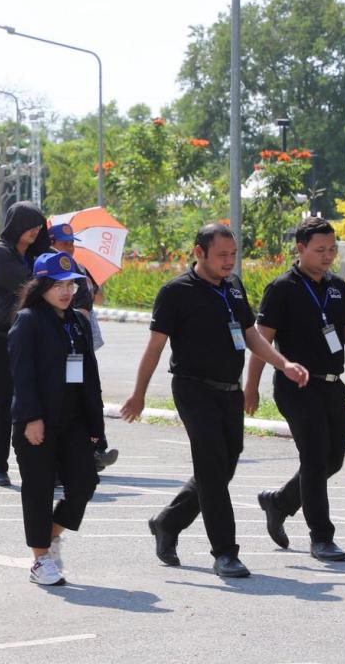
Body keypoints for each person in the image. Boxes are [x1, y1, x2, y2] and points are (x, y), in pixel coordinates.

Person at [120, 223, 310, 578]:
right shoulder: (175, 292)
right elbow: (155, 347)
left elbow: (251, 335)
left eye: (233, 254)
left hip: (229, 391)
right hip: (193, 389)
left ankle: (167, 522)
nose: (228, 261)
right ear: (199, 253)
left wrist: (283, 364)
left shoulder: (233, 287)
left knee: (223, 468)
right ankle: (225, 553)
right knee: (211, 470)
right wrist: (139, 393)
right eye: (221, 255)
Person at [245, 216, 345, 562]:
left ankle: (279, 502)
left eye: (332, 249)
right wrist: (251, 387)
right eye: (320, 250)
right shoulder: (282, 288)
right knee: (313, 457)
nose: (328, 256)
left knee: (332, 459)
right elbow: (262, 340)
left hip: (332, 386)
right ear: (301, 248)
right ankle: (321, 538)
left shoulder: (337, 287)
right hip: (296, 387)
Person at [8, 252, 104, 586]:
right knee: (38, 489)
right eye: (58, 285)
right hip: (38, 421)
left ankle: (49, 537)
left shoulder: (77, 321)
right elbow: (22, 375)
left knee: (84, 483)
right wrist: (31, 417)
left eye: (71, 285)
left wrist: (96, 426)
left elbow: (89, 376)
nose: (66, 292)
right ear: (41, 286)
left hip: (73, 420)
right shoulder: (28, 320)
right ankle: (40, 561)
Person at [0, 201, 51, 486]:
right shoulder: (1, 253)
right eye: (30, 225)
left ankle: (38, 465)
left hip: (35, 337)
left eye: (38, 226)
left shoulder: (41, 254)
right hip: (3, 337)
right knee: (3, 401)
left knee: (36, 401)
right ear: (16, 225)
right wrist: (48, 277)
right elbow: (28, 285)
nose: (35, 231)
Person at [47, 222, 118, 473]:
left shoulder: (78, 268)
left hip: (78, 348)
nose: (69, 248)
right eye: (64, 243)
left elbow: (92, 298)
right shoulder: (45, 269)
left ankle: (96, 448)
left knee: (85, 392)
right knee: (62, 398)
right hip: (57, 348)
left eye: (71, 244)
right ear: (51, 243)